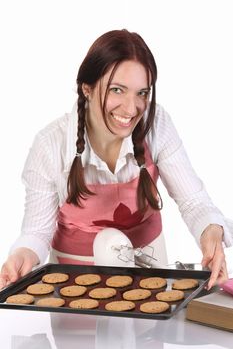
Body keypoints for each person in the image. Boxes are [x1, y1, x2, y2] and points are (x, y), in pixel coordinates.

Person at [0, 29, 232, 291]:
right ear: (86, 87)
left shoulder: (156, 125)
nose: (131, 109)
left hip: (148, 271)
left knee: (151, 331)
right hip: (74, 281)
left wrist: (211, 232)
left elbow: (193, 201)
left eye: (142, 93)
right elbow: (37, 231)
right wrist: (22, 255)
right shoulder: (50, 145)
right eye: (117, 90)